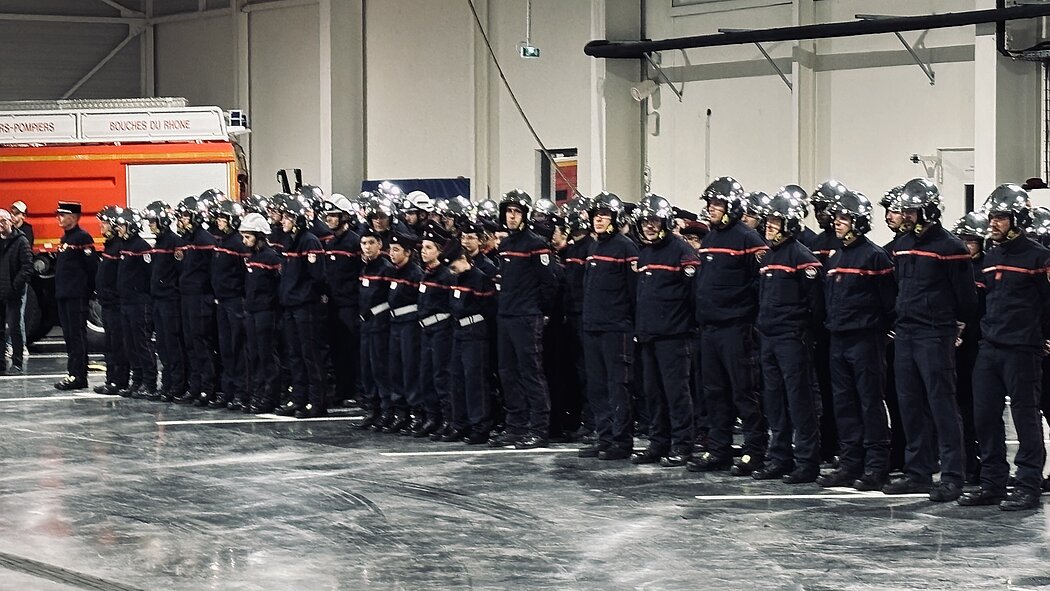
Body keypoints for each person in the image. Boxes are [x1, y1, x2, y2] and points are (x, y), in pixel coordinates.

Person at [884, 178, 976, 502]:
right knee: (909, 405)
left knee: (942, 405)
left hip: (935, 333)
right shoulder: (902, 245)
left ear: (929, 210)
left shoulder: (951, 247)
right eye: (905, 210)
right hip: (906, 332)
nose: (907, 215)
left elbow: (966, 298)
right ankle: (918, 472)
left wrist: (953, 327)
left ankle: (952, 476)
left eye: (912, 210)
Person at [959, 184, 1050, 511]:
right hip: (990, 347)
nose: (993, 223)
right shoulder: (991, 256)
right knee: (984, 416)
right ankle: (993, 483)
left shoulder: (1039, 257)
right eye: (992, 217)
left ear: (1018, 219)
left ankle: (1027, 485)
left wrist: (1044, 337)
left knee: (1025, 417)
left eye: (1000, 217)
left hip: (1023, 349)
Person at [687, 177, 769, 475]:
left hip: (737, 328)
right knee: (714, 392)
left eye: (717, 204)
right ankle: (718, 449)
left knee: (744, 392)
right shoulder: (710, 239)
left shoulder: (749, 239)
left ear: (731, 206)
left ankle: (754, 451)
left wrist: (747, 317)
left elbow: (760, 285)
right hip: (709, 328)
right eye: (710, 203)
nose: (711, 208)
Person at [818, 190, 896, 491]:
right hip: (838, 338)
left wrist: (881, 333)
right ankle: (850, 463)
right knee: (843, 403)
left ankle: (876, 465)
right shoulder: (836, 258)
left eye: (844, 218)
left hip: (866, 339)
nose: (837, 223)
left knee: (870, 402)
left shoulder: (875, 256)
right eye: (836, 218)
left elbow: (889, 302)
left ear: (859, 222)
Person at [752, 187, 825, 484]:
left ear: (790, 224)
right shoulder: (768, 257)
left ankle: (807, 461)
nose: (768, 226)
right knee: (774, 400)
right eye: (768, 221)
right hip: (768, 337)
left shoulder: (803, 258)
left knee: (799, 400)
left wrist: (803, 332)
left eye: (775, 222)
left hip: (793, 338)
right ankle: (779, 457)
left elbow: (816, 305)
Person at [631, 194, 698, 467]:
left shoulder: (682, 251)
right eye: (645, 221)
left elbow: (693, 294)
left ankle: (682, 445)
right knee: (653, 393)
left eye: (655, 221)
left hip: (674, 336)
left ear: (666, 222)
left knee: (676, 393)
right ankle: (658, 442)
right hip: (649, 334)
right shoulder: (645, 252)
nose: (649, 226)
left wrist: (684, 325)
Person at [489, 189, 558, 449]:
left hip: (527, 317)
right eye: (508, 211)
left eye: (517, 212)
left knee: (531, 373)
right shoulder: (505, 245)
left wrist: (542, 311)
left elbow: (549, 282)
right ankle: (515, 426)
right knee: (507, 373)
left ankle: (538, 429)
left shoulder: (536, 244)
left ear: (525, 215)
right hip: (506, 315)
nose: (512, 216)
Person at [577, 192, 638, 462]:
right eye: (596, 215)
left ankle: (621, 441)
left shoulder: (626, 247)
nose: (599, 220)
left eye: (604, 215)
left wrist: (630, 325)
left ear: (615, 218)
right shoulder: (594, 247)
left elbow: (634, 291)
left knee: (618, 387)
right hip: (593, 326)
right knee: (597, 387)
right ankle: (604, 437)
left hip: (617, 328)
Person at [275, 195, 327, 418]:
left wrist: (305, 296)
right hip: (290, 305)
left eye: (287, 217)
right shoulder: (289, 241)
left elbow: (318, 277)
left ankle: (316, 402)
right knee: (294, 354)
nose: (283, 221)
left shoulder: (310, 241)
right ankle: (298, 398)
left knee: (310, 355)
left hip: (306, 307)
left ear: (297, 219)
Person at [951, 210, 990, 485]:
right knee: (960, 405)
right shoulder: (955, 267)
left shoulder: (987, 268)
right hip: (957, 348)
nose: (967, 245)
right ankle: (967, 462)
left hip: (980, 345)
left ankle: (985, 464)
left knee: (981, 409)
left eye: (972, 241)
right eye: (963, 240)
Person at [448, 237, 496, 443]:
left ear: (462, 259)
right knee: (457, 379)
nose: (451, 271)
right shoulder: (456, 279)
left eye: (453, 266)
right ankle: (460, 423)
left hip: (475, 333)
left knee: (475, 381)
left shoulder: (480, 279)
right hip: (459, 332)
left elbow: (490, 309)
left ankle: (480, 426)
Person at [173, 195, 218, 405]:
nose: (181, 220)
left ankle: (208, 388)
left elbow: (212, 272)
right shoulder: (188, 239)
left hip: (200, 298)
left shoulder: (205, 240)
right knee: (190, 343)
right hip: (187, 297)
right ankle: (195, 386)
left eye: (185, 216)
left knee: (201, 342)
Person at [322, 195, 363, 408]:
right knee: (337, 350)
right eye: (327, 215)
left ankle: (357, 391)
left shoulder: (355, 242)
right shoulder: (330, 243)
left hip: (350, 305)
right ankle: (341, 389)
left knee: (352, 350)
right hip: (334, 305)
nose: (329, 219)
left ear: (344, 217)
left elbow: (360, 273)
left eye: (333, 215)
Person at [143, 201, 186, 403]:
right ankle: (167, 384)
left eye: (153, 221)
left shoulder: (174, 242)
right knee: (162, 345)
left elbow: (180, 272)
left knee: (172, 343)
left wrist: (169, 289)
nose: (150, 225)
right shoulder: (158, 243)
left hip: (170, 301)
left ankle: (177, 385)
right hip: (158, 300)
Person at [416, 224, 456, 439]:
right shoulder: (427, 273)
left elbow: (451, 305)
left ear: (439, 251)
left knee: (442, 375)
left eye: (429, 247)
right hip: (427, 330)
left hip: (442, 330)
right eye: (423, 247)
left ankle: (448, 418)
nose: (423, 251)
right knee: (427, 375)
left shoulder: (446, 275)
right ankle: (432, 417)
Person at [241, 212, 283, 414]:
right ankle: (257, 393)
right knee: (254, 354)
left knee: (267, 354)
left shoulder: (272, 257)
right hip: (252, 311)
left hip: (266, 312)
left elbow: (278, 286)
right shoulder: (252, 257)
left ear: (259, 236)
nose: (244, 241)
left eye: (248, 236)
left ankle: (270, 396)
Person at [210, 199, 250, 410]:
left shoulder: (238, 244)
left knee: (238, 348)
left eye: (223, 218)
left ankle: (242, 392)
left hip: (235, 301)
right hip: (222, 301)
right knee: (225, 347)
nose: (219, 222)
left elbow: (244, 274)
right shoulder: (221, 242)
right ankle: (228, 391)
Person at [115, 208, 157, 398]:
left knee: (142, 343)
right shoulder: (125, 246)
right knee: (130, 343)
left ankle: (150, 382)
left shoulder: (142, 247)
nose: (119, 229)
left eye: (122, 225)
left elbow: (149, 275)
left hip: (140, 303)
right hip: (126, 302)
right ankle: (137, 380)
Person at [54, 202, 96, 391]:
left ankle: (78, 375)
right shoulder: (65, 238)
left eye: (63, 215)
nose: (59, 218)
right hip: (64, 294)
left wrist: (87, 291)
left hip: (76, 295)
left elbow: (91, 267)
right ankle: (72, 372)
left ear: (74, 217)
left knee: (77, 335)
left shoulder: (82, 237)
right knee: (69, 336)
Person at [356, 227, 395, 429]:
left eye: (371, 243)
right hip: (366, 325)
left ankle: (387, 410)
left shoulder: (386, 268)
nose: (367, 247)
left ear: (380, 244)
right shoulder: (365, 268)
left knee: (380, 369)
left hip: (380, 325)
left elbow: (390, 300)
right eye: (364, 243)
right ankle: (373, 409)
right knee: (367, 369)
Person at [384, 232, 423, 433]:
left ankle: (416, 412)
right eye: (390, 249)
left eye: (396, 250)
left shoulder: (415, 273)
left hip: (410, 324)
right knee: (396, 368)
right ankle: (401, 412)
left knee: (410, 369)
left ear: (408, 252)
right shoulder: (394, 271)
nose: (392, 253)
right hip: (395, 323)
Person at [93, 206, 127, 395]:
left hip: (115, 304)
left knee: (117, 344)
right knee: (110, 344)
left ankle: (119, 380)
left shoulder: (119, 247)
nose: (101, 226)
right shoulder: (110, 245)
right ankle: (111, 379)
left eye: (105, 223)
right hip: (107, 303)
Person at [0, 209, 31, 374]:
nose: (0, 225)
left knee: (14, 327)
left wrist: (14, 286)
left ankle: (17, 362)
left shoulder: (21, 241)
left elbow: (27, 267)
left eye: (3, 221)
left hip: (13, 292)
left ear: (10, 222)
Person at [8, 201, 31, 364]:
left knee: (18, 315)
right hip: (8, 278)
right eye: (12, 212)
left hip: (18, 279)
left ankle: (20, 346)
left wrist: (18, 282)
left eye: (17, 213)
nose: (14, 216)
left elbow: (25, 260)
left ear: (23, 215)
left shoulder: (26, 232)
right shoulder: (10, 231)